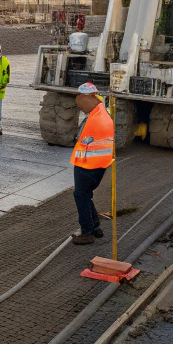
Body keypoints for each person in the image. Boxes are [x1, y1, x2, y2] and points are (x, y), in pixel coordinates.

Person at [70, 82, 114, 245]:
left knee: (81, 195)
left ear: (89, 97)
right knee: (86, 194)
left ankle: (87, 232)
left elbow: (83, 139)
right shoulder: (101, 111)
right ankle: (94, 227)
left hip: (88, 164)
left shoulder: (97, 118)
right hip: (98, 164)